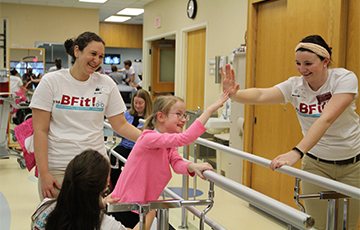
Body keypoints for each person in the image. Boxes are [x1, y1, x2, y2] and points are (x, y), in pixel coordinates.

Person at [222, 35, 360, 230]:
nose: (302, 69)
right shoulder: (295, 86)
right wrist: (235, 94)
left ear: (325, 61)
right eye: (298, 63)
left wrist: (296, 152)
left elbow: (326, 119)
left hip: (353, 164)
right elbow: (262, 94)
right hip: (316, 164)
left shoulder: (344, 79)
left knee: (347, 225)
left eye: (308, 63)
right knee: (318, 224)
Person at [29, 31, 142, 200]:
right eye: (93, 54)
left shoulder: (106, 83)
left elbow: (121, 125)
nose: (96, 60)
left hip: (94, 168)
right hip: (59, 166)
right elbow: (40, 131)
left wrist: (151, 138)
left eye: (101, 56)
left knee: (92, 221)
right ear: (77, 51)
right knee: (58, 222)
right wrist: (44, 173)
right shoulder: (52, 81)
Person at [111, 92, 229, 229]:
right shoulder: (149, 138)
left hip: (144, 206)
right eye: (178, 114)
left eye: (184, 115)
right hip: (126, 205)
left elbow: (177, 163)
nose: (184, 119)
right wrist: (209, 110)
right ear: (161, 116)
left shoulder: (167, 145)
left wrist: (192, 166)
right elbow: (185, 138)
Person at [31, 149, 155, 230]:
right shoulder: (105, 224)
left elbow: (76, 204)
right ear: (103, 186)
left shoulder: (44, 208)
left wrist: (101, 203)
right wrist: (150, 211)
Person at [110, 89, 153, 190]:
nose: (137, 105)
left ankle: (134, 189)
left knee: (136, 165)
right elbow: (119, 133)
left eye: (140, 103)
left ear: (146, 103)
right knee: (113, 156)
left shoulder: (151, 118)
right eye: (135, 102)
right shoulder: (126, 114)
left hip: (139, 149)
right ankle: (116, 189)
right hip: (125, 145)